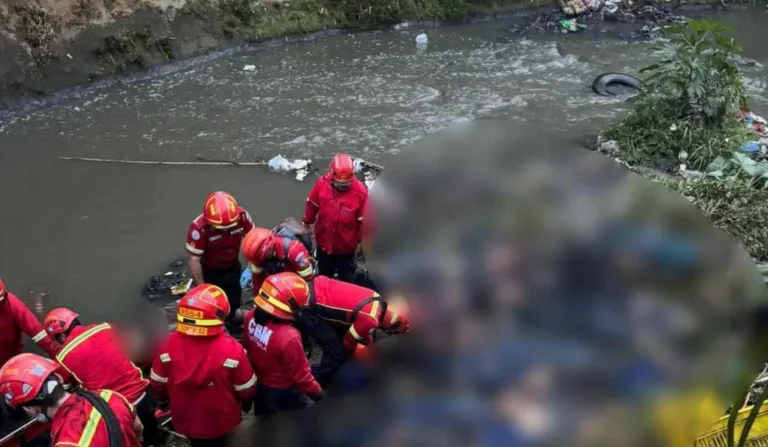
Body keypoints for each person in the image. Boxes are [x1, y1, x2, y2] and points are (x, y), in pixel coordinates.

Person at [149, 284, 257, 447]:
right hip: (223, 418)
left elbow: (157, 383)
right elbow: (247, 388)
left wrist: (163, 402)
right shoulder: (232, 348)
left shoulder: (167, 344)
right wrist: (245, 406)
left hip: (185, 418)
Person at [43, 307, 163, 447]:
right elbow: (129, 350)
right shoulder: (105, 328)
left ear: (61, 337)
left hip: (115, 409)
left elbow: (63, 389)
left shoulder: (62, 357)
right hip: (142, 393)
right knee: (152, 430)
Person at [0, 353, 142, 447]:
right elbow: (138, 427)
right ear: (60, 379)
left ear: (31, 409)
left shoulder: (66, 442)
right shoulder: (110, 396)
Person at [242, 272, 324, 418]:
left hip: (261, 386)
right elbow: (302, 377)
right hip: (284, 391)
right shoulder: (289, 337)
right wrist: (319, 394)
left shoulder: (250, 317)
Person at [186, 191, 254, 328]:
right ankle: (216, 326)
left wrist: (251, 263)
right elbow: (194, 260)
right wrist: (201, 285)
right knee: (211, 303)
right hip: (210, 271)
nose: (225, 231)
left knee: (234, 295)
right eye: (220, 228)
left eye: (229, 228)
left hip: (232, 265)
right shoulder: (199, 229)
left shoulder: (242, 216)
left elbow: (252, 239)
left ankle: (232, 315)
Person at [302, 153, 368, 284]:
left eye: (346, 184)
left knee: (347, 280)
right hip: (324, 243)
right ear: (331, 176)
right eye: (339, 184)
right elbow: (312, 204)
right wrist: (307, 222)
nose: (342, 187)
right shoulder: (321, 184)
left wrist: (364, 244)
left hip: (347, 247)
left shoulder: (361, 192)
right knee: (324, 278)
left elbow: (364, 221)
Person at [0, 278, 60, 368]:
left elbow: (37, 331)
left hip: (13, 359)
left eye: (3, 298)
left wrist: (58, 354)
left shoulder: (11, 303)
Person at [240, 226, 316, 292]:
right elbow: (257, 282)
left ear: (268, 250)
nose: (257, 263)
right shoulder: (257, 256)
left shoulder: (294, 251)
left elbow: (308, 280)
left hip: (296, 276)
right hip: (279, 273)